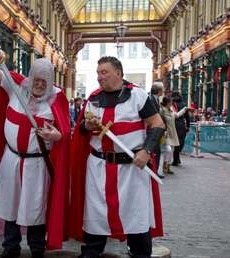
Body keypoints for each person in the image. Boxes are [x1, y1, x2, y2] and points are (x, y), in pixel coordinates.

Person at [68, 56, 165, 258]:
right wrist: (87, 126)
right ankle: (91, 253)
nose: (99, 77)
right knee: (96, 215)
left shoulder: (138, 96)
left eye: (104, 72)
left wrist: (146, 151)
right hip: (99, 168)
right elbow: (82, 131)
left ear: (119, 73)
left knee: (136, 217)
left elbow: (157, 124)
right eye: (98, 73)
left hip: (132, 170)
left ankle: (140, 253)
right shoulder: (93, 99)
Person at [0, 48, 70, 258]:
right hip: (11, 159)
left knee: (35, 207)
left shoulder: (57, 99)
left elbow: (65, 133)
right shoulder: (16, 87)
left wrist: (57, 136)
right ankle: (11, 248)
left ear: (50, 82)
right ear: (30, 77)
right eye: (37, 79)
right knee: (10, 205)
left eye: (44, 82)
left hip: (37, 164)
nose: (39, 84)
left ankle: (37, 249)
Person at [158, 96, 188, 176]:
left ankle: (167, 167)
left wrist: (184, 109)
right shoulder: (162, 110)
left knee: (171, 150)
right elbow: (160, 121)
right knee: (168, 149)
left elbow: (177, 115)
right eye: (171, 102)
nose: (172, 103)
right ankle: (164, 166)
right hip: (166, 133)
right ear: (167, 102)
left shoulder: (170, 110)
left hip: (172, 133)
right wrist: (163, 130)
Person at [149, 81, 164, 176]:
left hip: (156, 130)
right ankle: (154, 171)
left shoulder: (156, 99)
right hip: (153, 130)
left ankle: (155, 170)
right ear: (159, 91)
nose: (163, 91)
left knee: (157, 152)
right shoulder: (151, 100)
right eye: (162, 90)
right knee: (155, 151)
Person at [171, 92, 190, 166]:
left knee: (174, 143)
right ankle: (176, 157)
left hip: (173, 124)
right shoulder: (183, 104)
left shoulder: (171, 104)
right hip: (181, 125)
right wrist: (188, 126)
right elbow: (187, 117)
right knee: (180, 142)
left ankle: (176, 158)